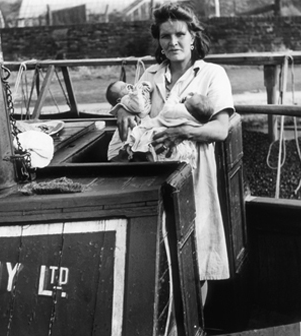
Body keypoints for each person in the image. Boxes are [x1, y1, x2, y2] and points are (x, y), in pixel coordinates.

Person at [113, 3, 235, 288]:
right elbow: (135, 104)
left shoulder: (211, 74)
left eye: (180, 34)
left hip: (193, 171)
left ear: (193, 37)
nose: (173, 41)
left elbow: (219, 130)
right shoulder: (151, 75)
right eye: (165, 36)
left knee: (195, 253)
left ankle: (194, 327)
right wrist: (122, 108)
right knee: (159, 251)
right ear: (159, 41)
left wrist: (183, 131)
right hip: (152, 173)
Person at [106, 81, 213, 163]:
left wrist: (146, 87)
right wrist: (123, 107)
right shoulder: (131, 101)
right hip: (122, 154)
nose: (131, 85)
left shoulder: (178, 112)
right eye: (125, 87)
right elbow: (137, 105)